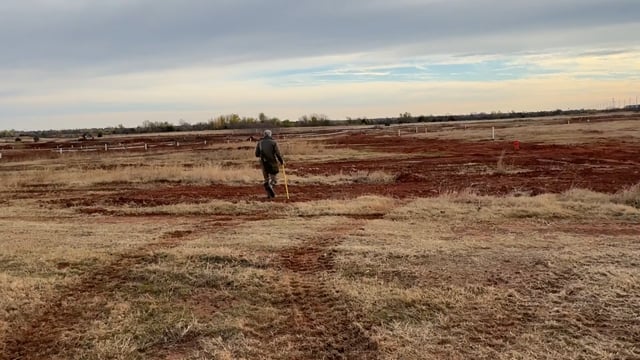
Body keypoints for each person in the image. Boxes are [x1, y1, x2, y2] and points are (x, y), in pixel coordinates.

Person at [255, 129, 284, 198]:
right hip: (272, 162)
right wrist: (281, 161)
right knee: (274, 179)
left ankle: (269, 195)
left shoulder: (260, 143)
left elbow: (256, 154)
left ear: (264, 135)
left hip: (263, 163)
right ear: (270, 134)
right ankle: (271, 186)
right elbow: (277, 153)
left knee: (266, 179)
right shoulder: (273, 142)